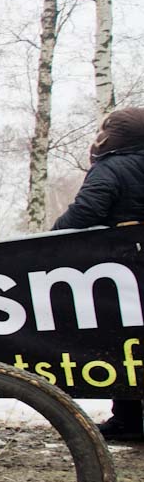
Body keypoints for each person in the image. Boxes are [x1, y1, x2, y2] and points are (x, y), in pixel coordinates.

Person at [53, 107, 144, 441]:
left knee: (124, 339)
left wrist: (49, 239)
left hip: (122, 266)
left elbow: (86, 213)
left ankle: (129, 418)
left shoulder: (113, 166)